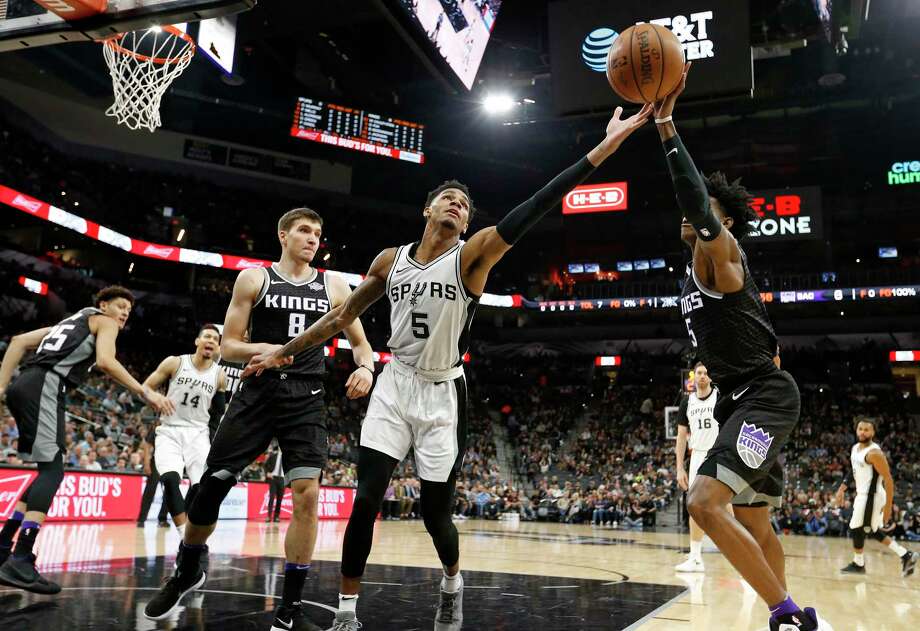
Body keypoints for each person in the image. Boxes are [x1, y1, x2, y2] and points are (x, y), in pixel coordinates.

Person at [245, 103, 652, 631]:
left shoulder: (471, 256)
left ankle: (452, 582)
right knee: (365, 500)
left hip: (442, 394)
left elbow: (535, 204)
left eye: (465, 204)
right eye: (449, 199)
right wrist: (280, 352)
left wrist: (605, 147)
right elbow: (341, 315)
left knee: (435, 516)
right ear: (427, 209)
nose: (458, 205)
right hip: (394, 384)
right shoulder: (390, 260)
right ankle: (347, 613)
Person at [144, 208, 374, 631]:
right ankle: (187, 569)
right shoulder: (255, 278)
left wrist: (365, 368)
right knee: (211, 486)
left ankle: (289, 610)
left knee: (306, 494)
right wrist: (271, 349)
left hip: (306, 396)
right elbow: (229, 347)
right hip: (257, 393)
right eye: (304, 231)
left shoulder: (334, 285)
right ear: (283, 234)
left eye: (318, 233)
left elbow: (361, 344)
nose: (312, 238)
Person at [657, 63, 828, 630]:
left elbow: (697, 200)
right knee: (756, 523)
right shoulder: (693, 274)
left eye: (702, 209)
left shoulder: (721, 252)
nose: (690, 212)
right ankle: (790, 608)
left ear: (720, 218)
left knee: (704, 503)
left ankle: (786, 613)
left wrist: (666, 128)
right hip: (740, 397)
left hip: (765, 399)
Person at [0, 286, 172, 593]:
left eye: (128, 312)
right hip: (47, 386)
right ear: (103, 305)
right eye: (119, 306)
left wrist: (1, 387)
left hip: (25, 385)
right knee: (53, 472)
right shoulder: (102, 321)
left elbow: (18, 342)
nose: (123, 314)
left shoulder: (70, 322)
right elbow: (106, 361)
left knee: (45, 470)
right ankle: (21, 558)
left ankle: (4, 549)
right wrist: (144, 392)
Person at [142, 324, 227, 535]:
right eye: (207, 336)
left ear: (217, 348)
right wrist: (156, 396)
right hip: (169, 429)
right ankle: (184, 535)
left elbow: (218, 413)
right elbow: (145, 387)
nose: (210, 341)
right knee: (170, 480)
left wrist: (216, 442)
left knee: (201, 489)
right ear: (197, 341)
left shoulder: (219, 375)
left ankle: (190, 534)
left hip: (198, 433)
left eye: (215, 339)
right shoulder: (176, 362)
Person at [836, 417, 917, 577]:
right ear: (856, 430)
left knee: (858, 528)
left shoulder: (874, 453)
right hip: (863, 495)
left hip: (872, 497)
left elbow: (888, 479)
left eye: (867, 429)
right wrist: (842, 488)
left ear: (873, 432)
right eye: (860, 428)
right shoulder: (855, 448)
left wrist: (888, 508)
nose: (863, 432)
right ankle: (905, 555)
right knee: (870, 530)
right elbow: (853, 471)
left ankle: (859, 564)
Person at [674, 362, 721, 572]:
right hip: (697, 455)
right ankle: (695, 558)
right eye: (699, 373)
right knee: (694, 506)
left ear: (710, 378)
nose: (702, 376)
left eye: (705, 373)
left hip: (718, 454)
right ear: (694, 377)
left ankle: (745, 559)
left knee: (728, 507)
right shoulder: (687, 401)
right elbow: (681, 438)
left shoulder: (720, 397)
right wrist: (679, 468)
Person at [264, 444, 285, 523]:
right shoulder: (273, 455)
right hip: (273, 478)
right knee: (272, 497)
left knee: (280, 499)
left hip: (282, 479)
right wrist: (267, 473)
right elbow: (265, 465)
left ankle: (276, 516)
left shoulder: (288, 458)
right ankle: (269, 516)